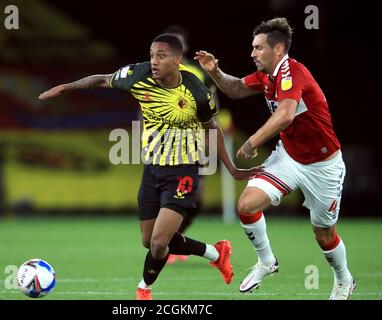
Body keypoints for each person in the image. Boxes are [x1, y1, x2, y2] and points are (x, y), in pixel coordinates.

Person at [39, 34, 263, 300]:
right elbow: (101, 79)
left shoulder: (196, 92)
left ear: (177, 61)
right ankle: (216, 253)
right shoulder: (138, 74)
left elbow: (211, 129)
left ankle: (143, 289)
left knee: (159, 243)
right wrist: (65, 87)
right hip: (153, 169)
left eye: (161, 56)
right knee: (149, 241)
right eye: (152, 54)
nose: (154, 61)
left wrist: (233, 169)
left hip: (184, 170)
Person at [195, 17, 355, 300]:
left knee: (324, 234)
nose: (252, 53)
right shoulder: (267, 77)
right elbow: (235, 88)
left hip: (324, 165)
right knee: (246, 204)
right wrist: (215, 71)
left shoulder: (294, 73)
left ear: (278, 49)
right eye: (253, 48)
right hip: (290, 158)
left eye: (258, 48)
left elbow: (285, 115)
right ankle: (267, 261)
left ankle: (344, 280)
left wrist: (253, 141)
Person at [163, 24, 220, 264]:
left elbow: (211, 100)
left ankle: (174, 238)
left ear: (184, 47)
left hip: (195, 140)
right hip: (166, 142)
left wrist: (212, 132)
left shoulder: (198, 72)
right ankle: (166, 242)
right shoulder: (158, 71)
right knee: (168, 191)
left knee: (197, 197)